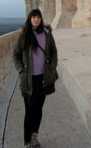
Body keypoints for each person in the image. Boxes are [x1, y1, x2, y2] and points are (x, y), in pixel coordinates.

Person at [13, 9, 58, 148]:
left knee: (38, 109)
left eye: (38, 17)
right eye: (33, 17)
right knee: (29, 111)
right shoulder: (24, 35)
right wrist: (21, 71)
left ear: (41, 19)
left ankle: (34, 137)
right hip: (28, 80)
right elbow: (15, 55)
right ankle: (27, 141)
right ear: (29, 19)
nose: (36, 20)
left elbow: (53, 52)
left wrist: (52, 67)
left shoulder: (47, 34)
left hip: (43, 79)